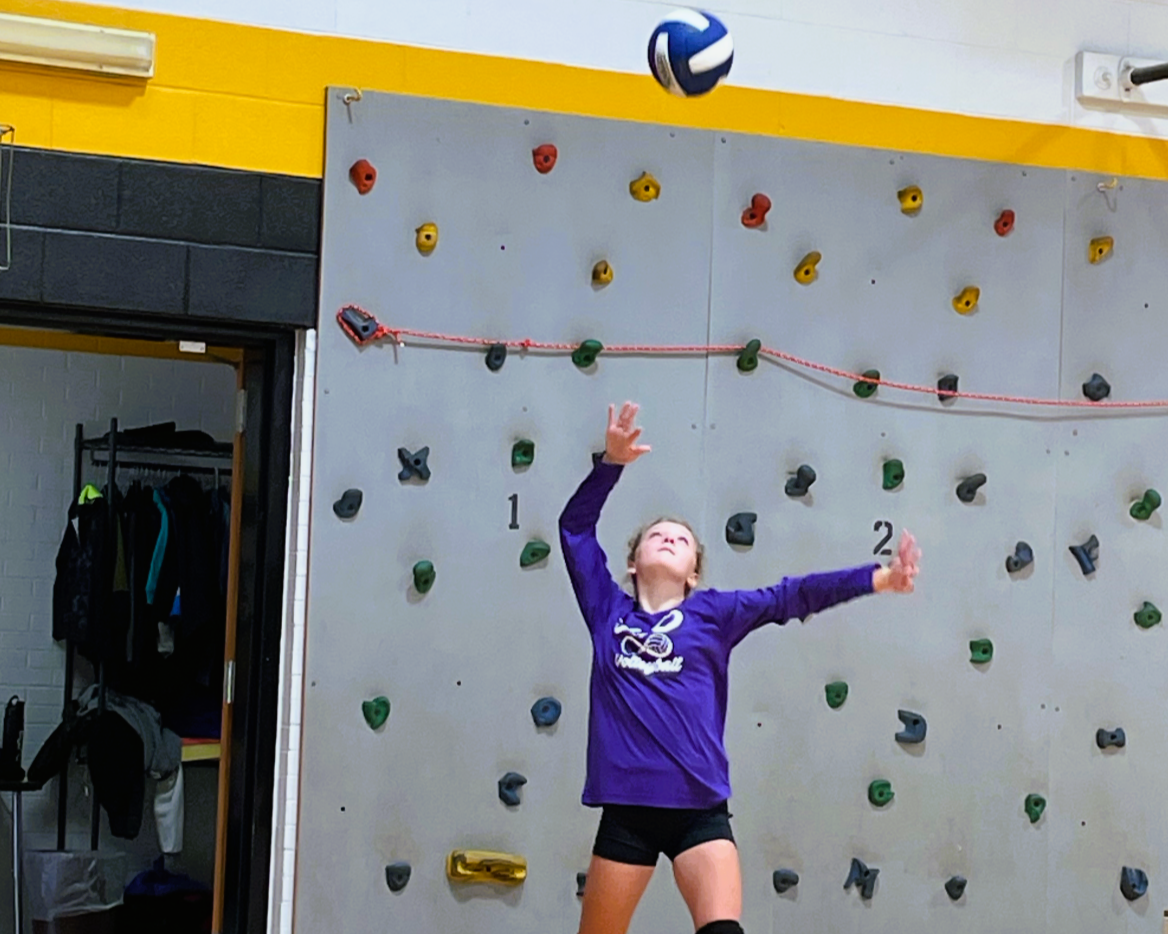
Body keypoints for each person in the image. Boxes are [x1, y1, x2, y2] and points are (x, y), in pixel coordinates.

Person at [559, 401, 921, 934]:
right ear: (633, 561)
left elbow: (791, 595)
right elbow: (575, 529)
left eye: (681, 540)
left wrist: (877, 578)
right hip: (627, 808)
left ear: (693, 574)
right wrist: (610, 463)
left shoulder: (714, 613)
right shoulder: (606, 610)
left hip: (698, 807)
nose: (669, 538)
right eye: (656, 535)